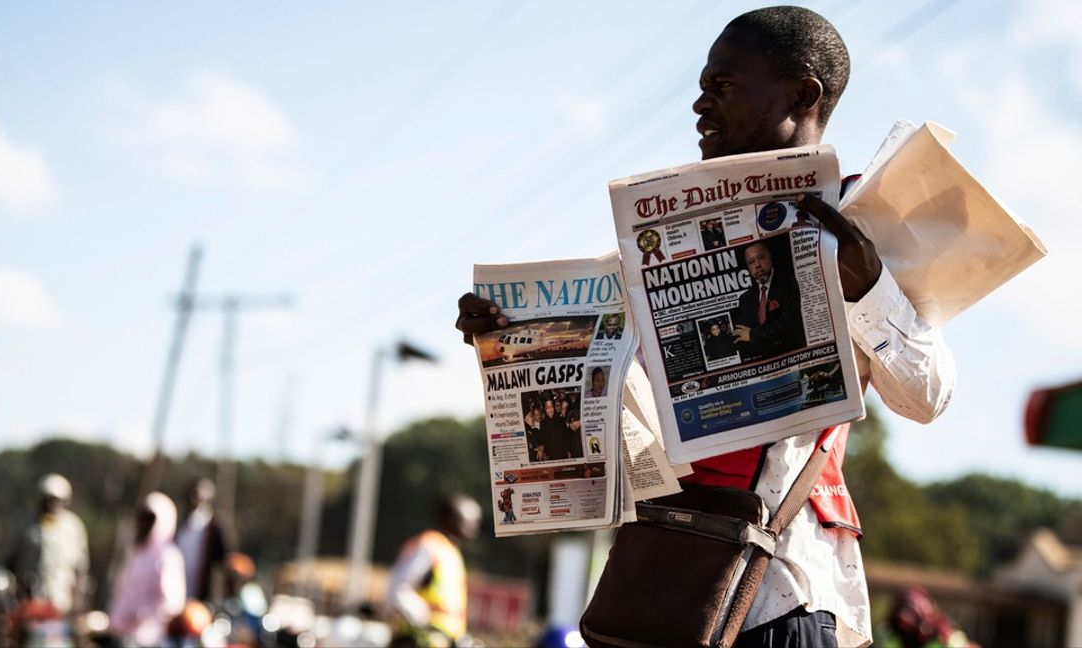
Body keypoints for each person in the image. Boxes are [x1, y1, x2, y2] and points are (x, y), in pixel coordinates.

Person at [455, 6, 956, 646]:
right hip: (662, 589)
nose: (698, 105)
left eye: (721, 86)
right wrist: (513, 346)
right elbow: (590, 451)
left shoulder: (862, 227)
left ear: (804, 94)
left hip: (781, 593)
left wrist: (869, 288)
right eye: (700, 88)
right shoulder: (650, 246)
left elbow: (930, 397)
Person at [387, 494, 483, 648]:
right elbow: (398, 590)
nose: (475, 524)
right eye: (472, 518)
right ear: (451, 518)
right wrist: (424, 622)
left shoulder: (451, 551)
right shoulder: (428, 545)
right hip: (419, 641)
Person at [108, 491, 187, 647]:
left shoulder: (167, 556)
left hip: (148, 639)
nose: (144, 524)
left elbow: (172, 603)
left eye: (149, 520)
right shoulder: (135, 552)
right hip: (121, 634)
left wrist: (141, 615)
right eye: (142, 519)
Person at [12, 473, 90, 619]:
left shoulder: (73, 527)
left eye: (56, 500)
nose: (52, 504)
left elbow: (82, 569)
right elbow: (14, 560)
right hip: (30, 603)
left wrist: (78, 602)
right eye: (48, 499)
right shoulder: (27, 524)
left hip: (61, 604)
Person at [732, 240, 806, 360]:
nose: (757, 265)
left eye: (760, 257)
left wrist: (753, 334)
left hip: (792, 354)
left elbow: (788, 323)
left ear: (770, 258)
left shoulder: (789, 283)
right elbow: (740, 339)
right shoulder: (745, 299)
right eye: (751, 262)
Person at [175, 477, 233, 603]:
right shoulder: (182, 525)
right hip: (178, 590)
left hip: (204, 595)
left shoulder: (216, 527)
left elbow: (224, 561)